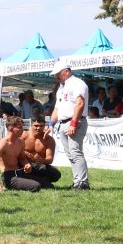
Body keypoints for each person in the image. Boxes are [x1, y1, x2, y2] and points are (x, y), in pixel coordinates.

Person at [49, 60, 91, 190]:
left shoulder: (77, 84)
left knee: (75, 152)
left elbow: (80, 103)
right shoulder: (61, 88)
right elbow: (57, 108)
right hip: (63, 123)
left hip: (74, 121)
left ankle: (82, 182)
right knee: (71, 154)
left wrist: (73, 123)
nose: (56, 76)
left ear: (66, 72)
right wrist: (51, 123)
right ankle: (78, 180)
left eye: (58, 74)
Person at [0, 116, 47, 192]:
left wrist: (26, 164)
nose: (22, 130)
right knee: (36, 186)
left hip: (20, 172)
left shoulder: (21, 141)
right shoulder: (2, 143)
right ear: (11, 128)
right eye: (20, 127)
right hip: (9, 176)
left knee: (47, 184)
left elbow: (22, 158)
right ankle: (8, 185)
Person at [21, 115, 61, 188]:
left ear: (45, 126)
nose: (38, 128)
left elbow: (50, 159)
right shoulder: (24, 135)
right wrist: (24, 153)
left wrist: (43, 160)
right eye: (36, 126)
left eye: (41, 126)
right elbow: (14, 151)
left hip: (38, 165)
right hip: (24, 164)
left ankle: (37, 180)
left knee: (56, 174)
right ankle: (38, 181)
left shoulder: (49, 140)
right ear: (31, 125)